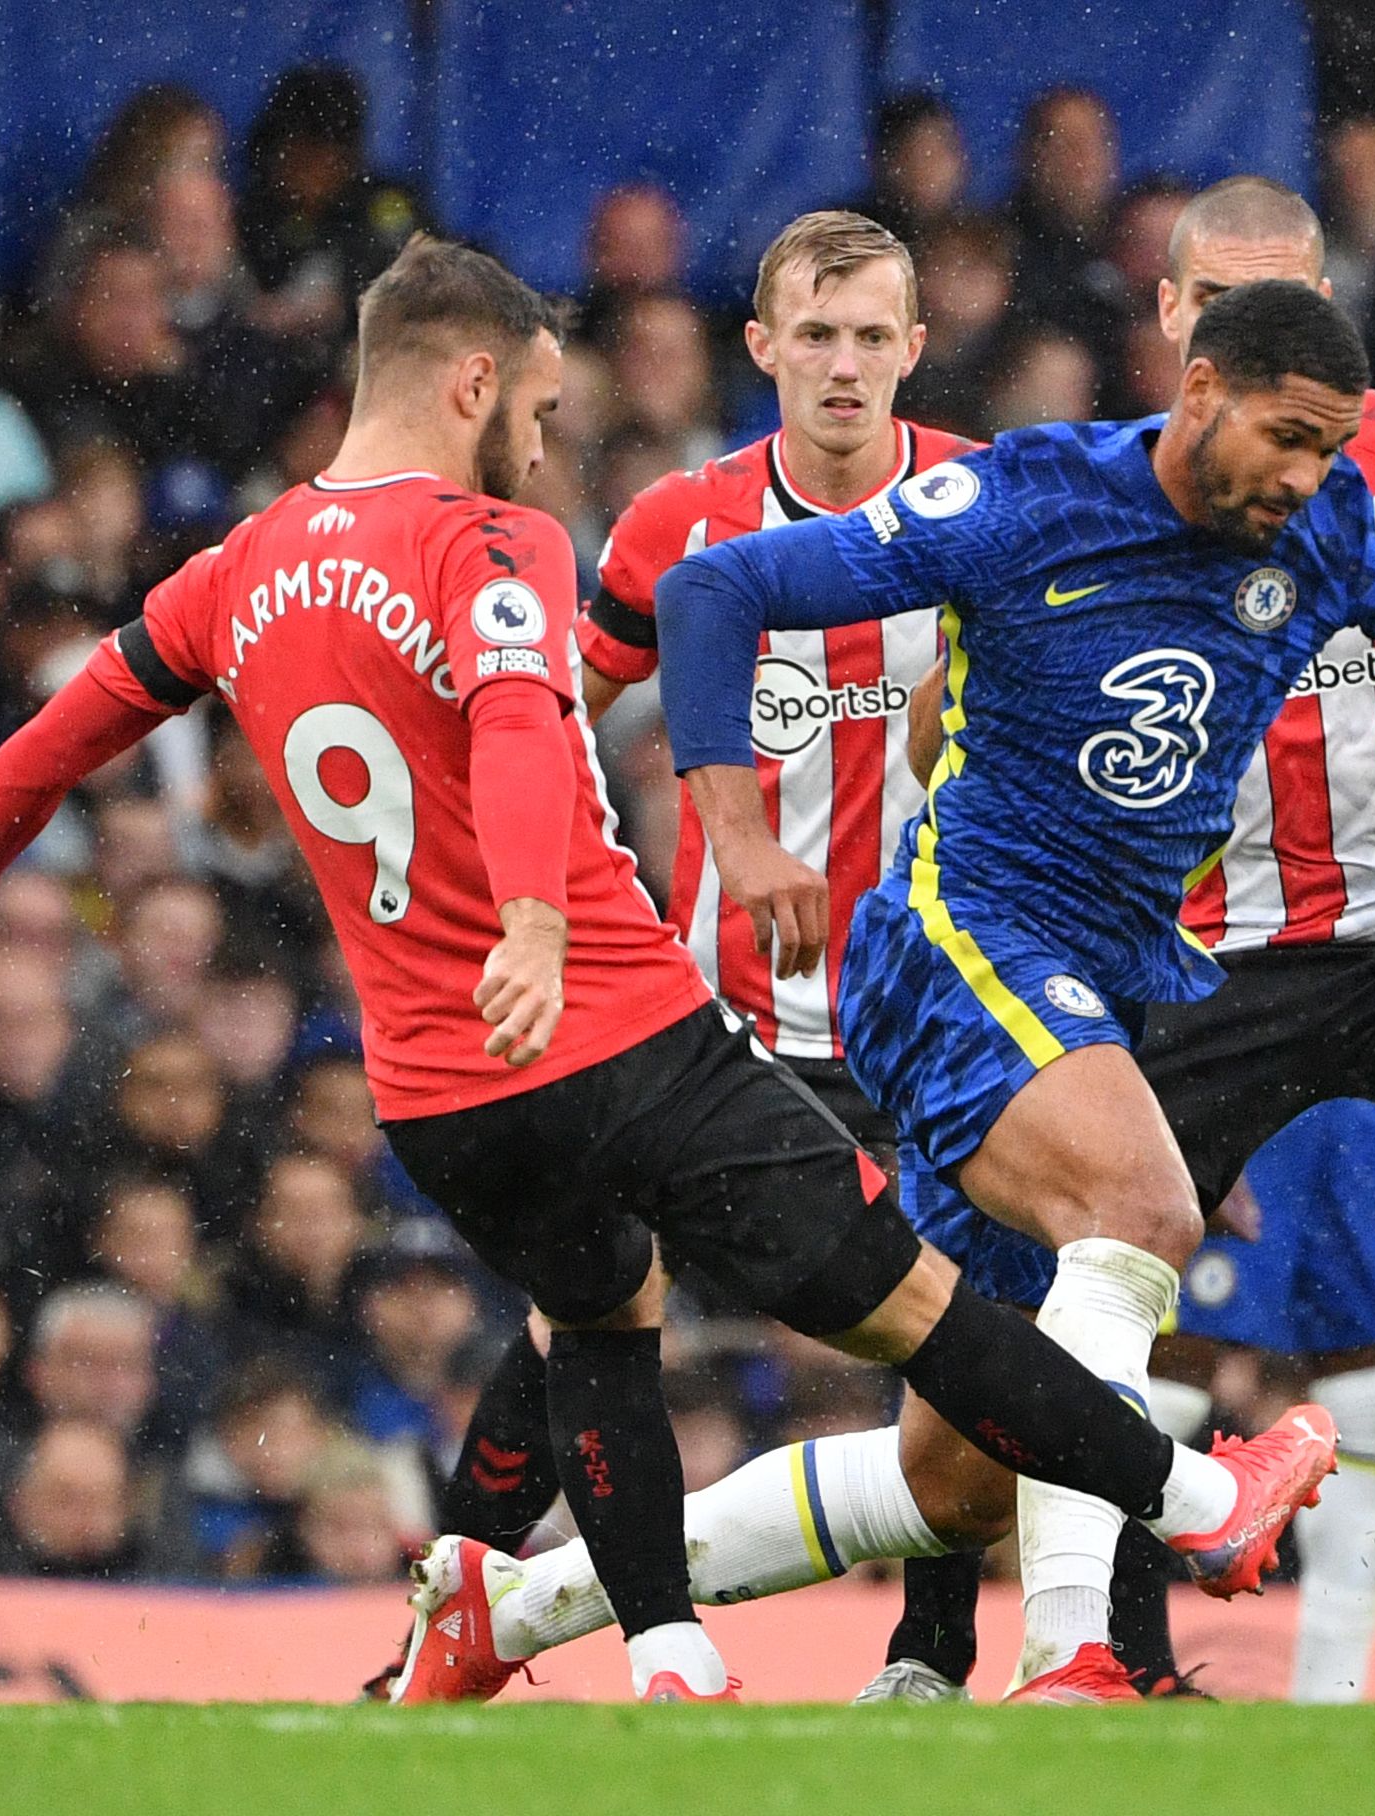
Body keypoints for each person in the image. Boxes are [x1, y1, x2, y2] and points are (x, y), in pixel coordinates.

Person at [0, 237, 1334, 1707]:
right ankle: (1200, 1501)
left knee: (594, 1326)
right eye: (535, 411)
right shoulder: (489, 540)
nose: (541, 450)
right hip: (627, 1026)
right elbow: (531, 724)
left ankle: (626, 1647)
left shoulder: (236, 569)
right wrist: (535, 917)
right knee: (927, 1321)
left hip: (438, 1091)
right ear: (471, 383)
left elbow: (70, 728)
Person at [419, 271, 1375, 1706]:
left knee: (953, 1478)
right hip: (956, 944)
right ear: (1197, 388)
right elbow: (717, 589)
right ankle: (1071, 1653)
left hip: (1107, 984)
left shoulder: (1333, 534)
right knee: (1141, 1207)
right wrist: (737, 827)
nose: (1306, 477)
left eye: (1329, 447)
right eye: (1285, 436)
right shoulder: (1029, 498)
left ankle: (509, 1608)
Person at [875, 171, 1375, 1707]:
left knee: (1359, 1353)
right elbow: (935, 739)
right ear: (1170, 319)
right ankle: (999, 1643)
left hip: (1374, 967)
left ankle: (1312, 1701)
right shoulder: (1077, 499)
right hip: (1164, 981)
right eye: (1216, 301)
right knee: (1045, 1338)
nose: (1246, 332)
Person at [430, 209, 971, 1556]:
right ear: (762, 348)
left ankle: (944, 1657)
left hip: (937, 1009)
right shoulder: (679, 523)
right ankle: (453, 1595)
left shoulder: (985, 507)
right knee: (587, 1309)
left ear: (913, 348)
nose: (842, 367)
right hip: (719, 1016)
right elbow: (550, 716)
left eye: (867, 339)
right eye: (814, 338)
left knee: (974, 1332)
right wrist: (531, 912)